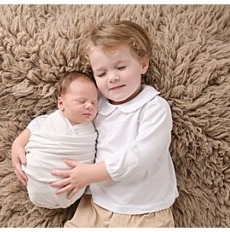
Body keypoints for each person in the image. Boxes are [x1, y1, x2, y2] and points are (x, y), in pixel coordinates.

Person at [11, 21, 177, 227]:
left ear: (143, 64)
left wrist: (90, 174)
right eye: (101, 73)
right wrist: (19, 142)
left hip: (144, 208)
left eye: (121, 67)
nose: (113, 78)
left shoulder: (154, 107)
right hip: (96, 205)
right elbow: (57, 118)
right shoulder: (95, 104)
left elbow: (141, 156)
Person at [10, 71, 98, 209]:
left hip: (71, 190)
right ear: (61, 103)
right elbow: (20, 142)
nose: (89, 106)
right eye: (82, 101)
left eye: (94, 102)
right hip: (37, 175)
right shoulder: (46, 122)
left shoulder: (93, 129)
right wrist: (16, 145)